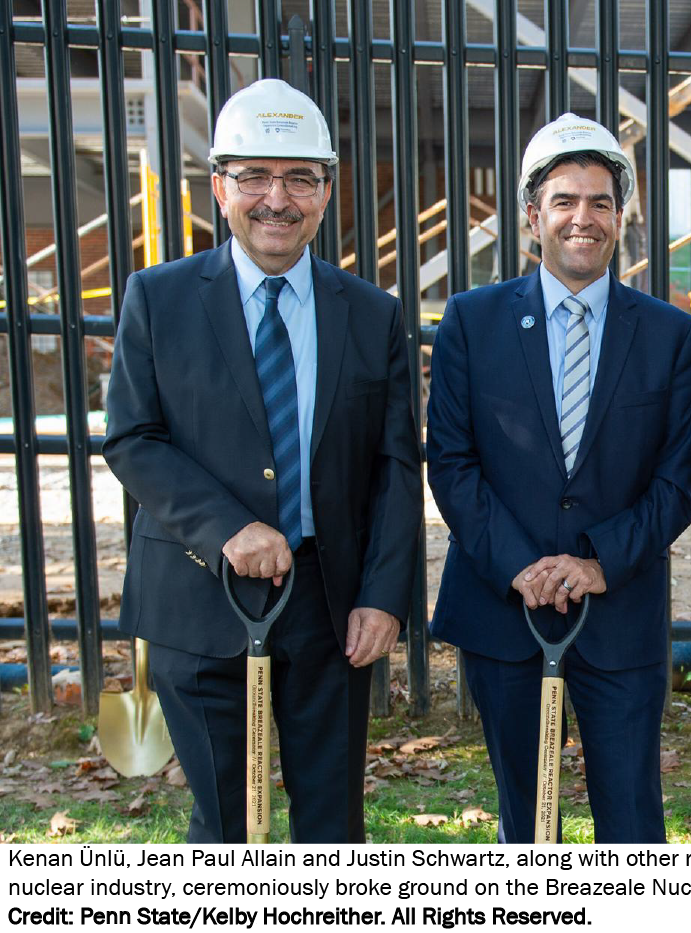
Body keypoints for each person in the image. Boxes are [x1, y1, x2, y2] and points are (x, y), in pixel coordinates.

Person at [103, 79, 422, 843]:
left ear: (325, 191)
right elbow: (132, 437)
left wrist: (384, 596)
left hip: (329, 601)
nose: (275, 198)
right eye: (254, 176)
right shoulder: (159, 297)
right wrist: (227, 528)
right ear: (219, 187)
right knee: (224, 824)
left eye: (299, 178)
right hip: (197, 594)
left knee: (331, 825)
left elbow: (394, 465)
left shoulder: (370, 313)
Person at [426, 113, 691, 843]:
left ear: (621, 215)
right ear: (532, 215)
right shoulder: (470, 320)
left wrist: (596, 562)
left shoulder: (671, 334)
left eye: (601, 202)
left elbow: (677, 482)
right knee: (528, 816)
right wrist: (521, 566)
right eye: (564, 200)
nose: (583, 218)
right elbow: (452, 464)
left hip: (617, 613)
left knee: (633, 820)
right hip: (501, 610)